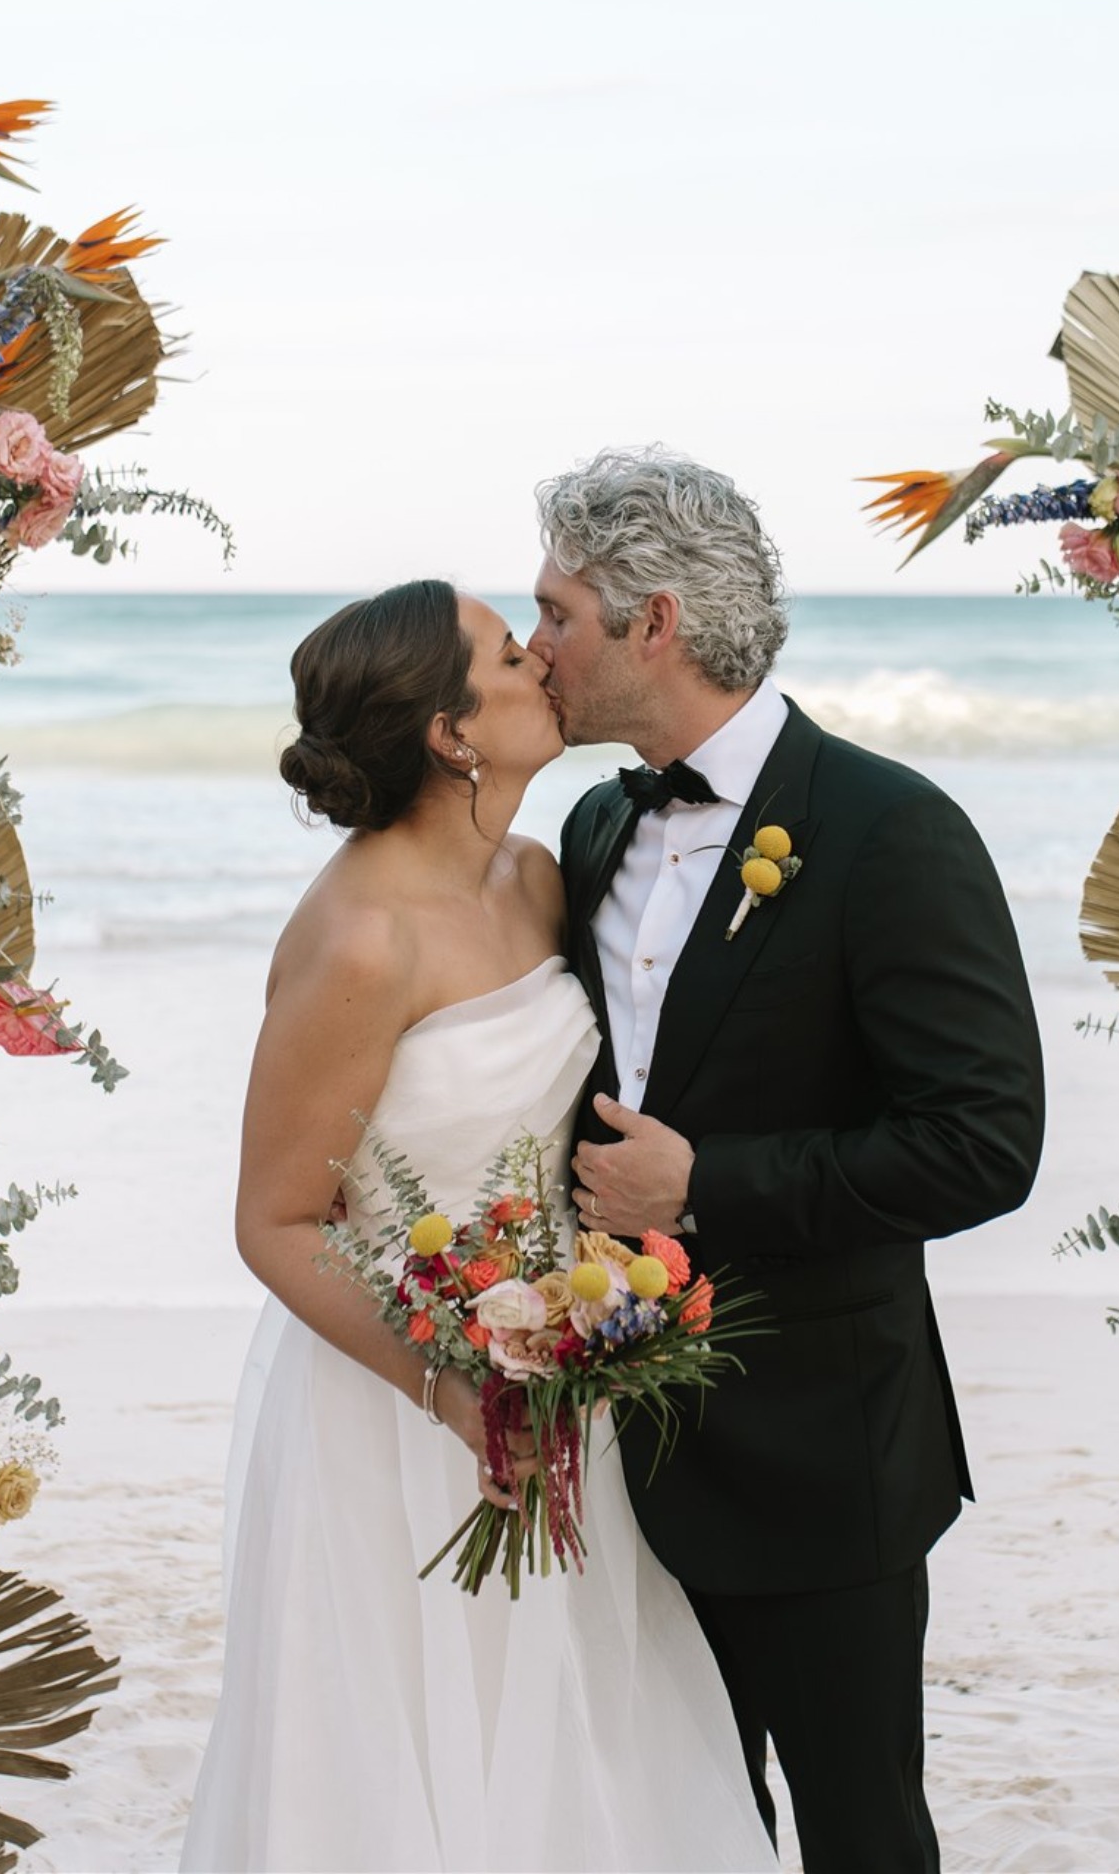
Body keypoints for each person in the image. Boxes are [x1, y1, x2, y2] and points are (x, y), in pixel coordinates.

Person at [181, 578, 776, 1871]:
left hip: (561, 1383)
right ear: (453, 733)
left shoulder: (539, 879)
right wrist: (450, 1385)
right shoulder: (359, 942)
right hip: (396, 1404)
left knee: (584, 1742)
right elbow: (275, 1221)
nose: (546, 660)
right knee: (396, 1766)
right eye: (513, 653)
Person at [533, 447, 1047, 1873]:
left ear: (655, 625)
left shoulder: (891, 832)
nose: (534, 648)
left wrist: (706, 1188)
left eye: (559, 613)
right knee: (679, 1828)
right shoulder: (591, 825)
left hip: (825, 1451)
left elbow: (985, 1145)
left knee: (859, 1836)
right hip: (625, 1442)